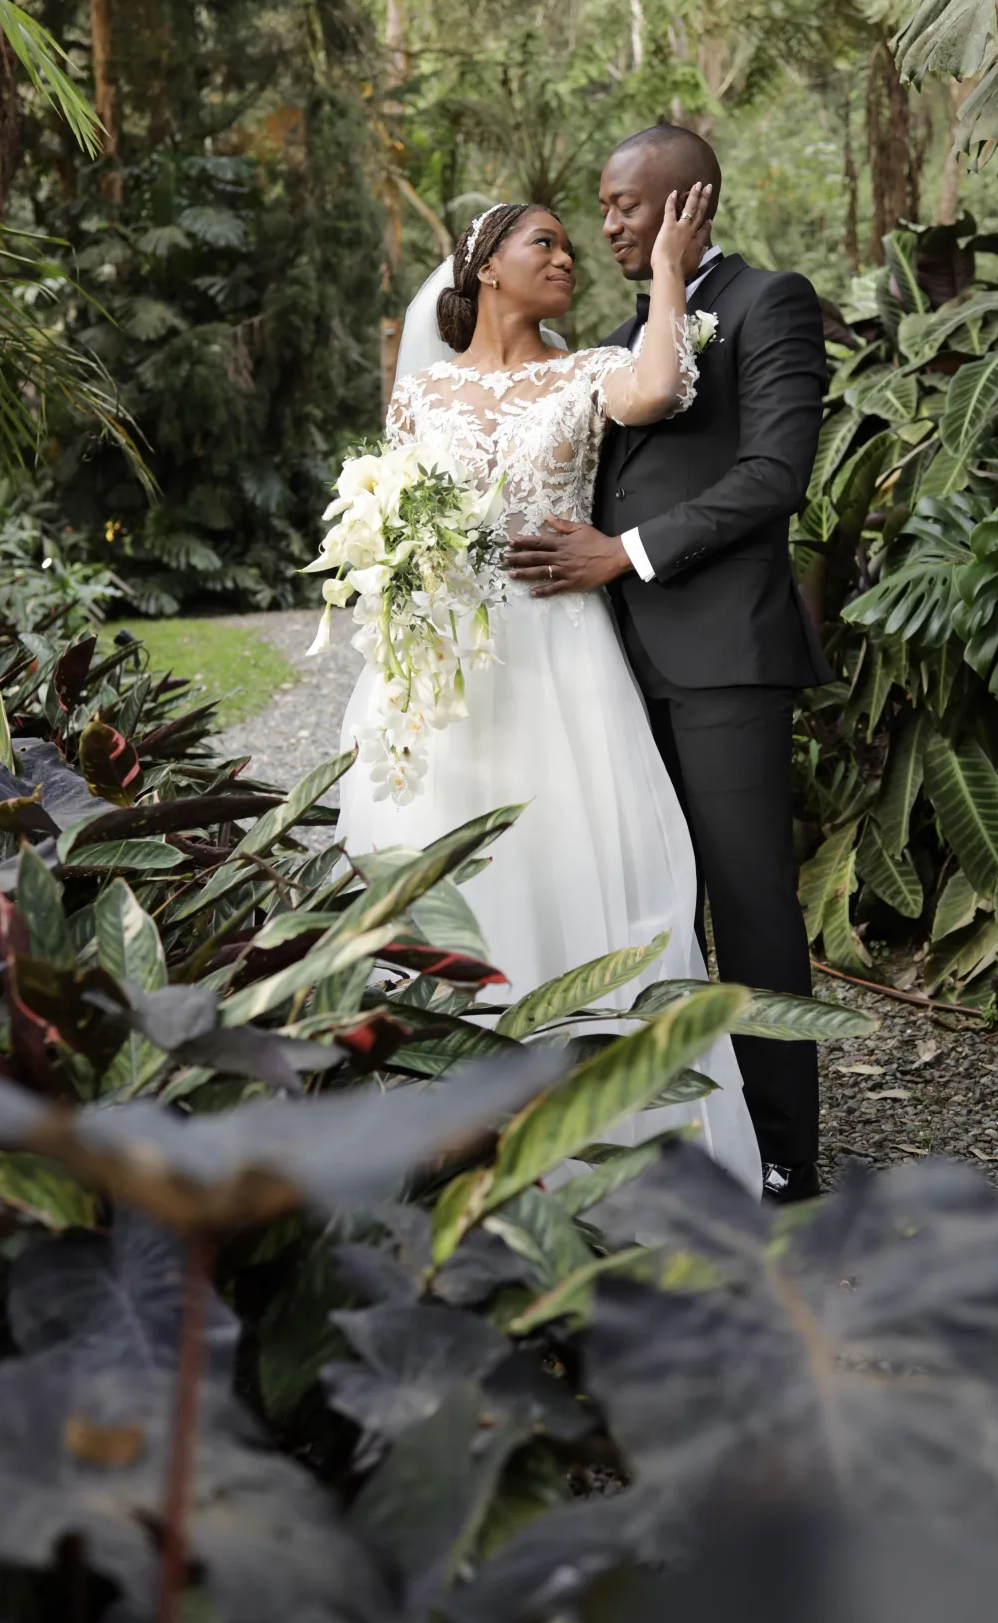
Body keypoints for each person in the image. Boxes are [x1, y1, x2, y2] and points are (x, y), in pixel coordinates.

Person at [335, 192, 762, 1194]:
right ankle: (449, 1144)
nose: (568, 257)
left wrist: (667, 266)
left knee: (585, 868)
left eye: (573, 246)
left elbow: (658, 389)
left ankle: (605, 1150)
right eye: (546, 243)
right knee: (450, 873)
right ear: (487, 265)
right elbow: (389, 516)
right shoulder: (419, 395)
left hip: (561, 658)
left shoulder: (587, 371)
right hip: (444, 668)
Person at [508, 126, 833, 1204]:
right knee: (650, 900)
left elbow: (775, 473)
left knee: (748, 903)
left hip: (727, 657)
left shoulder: (768, 303)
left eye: (626, 206)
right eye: (601, 207)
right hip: (612, 667)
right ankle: (688, 1125)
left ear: (691, 203)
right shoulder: (621, 338)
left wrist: (628, 553)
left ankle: (783, 1151)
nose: (606, 225)